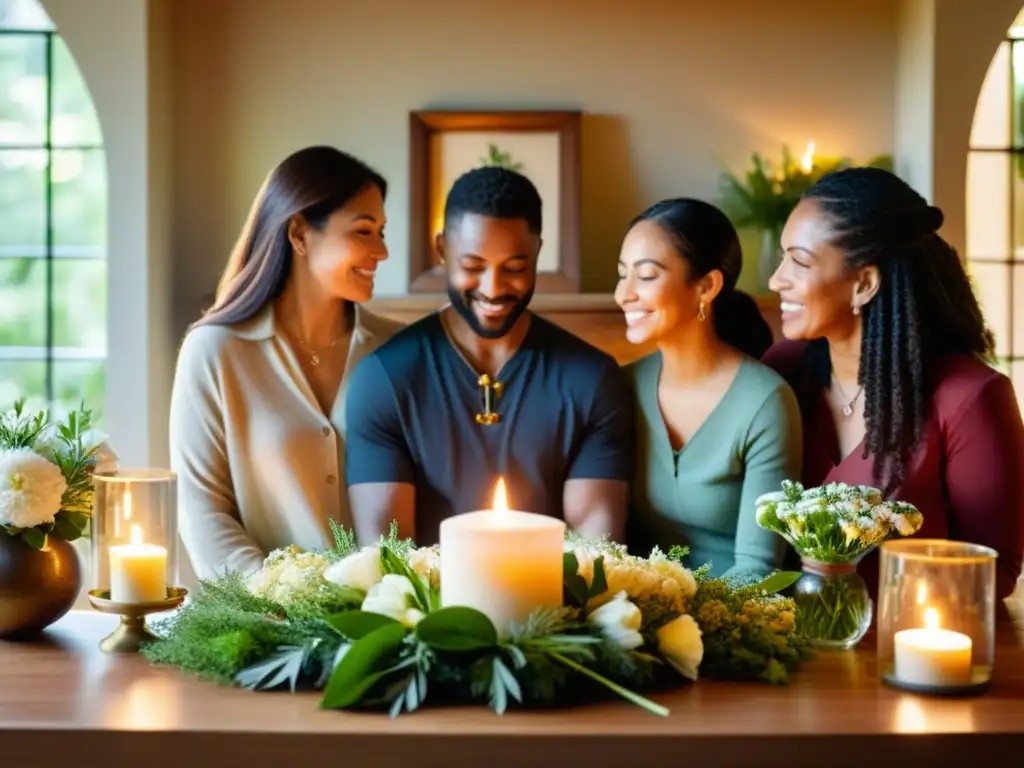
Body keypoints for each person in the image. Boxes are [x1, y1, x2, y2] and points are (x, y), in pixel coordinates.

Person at [763, 166, 1024, 601]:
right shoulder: (781, 372)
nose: (776, 280)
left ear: (863, 283)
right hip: (785, 644)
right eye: (782, 257)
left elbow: (995, 570)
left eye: (799, 261)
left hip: (904, 651)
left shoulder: (970, 398)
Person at [344, 166, 633, 546]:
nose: (493, 289)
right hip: (423, 604)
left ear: (537, 253)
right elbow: (387, 556)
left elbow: (594, 553)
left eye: (515, 268)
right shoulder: (384, 378)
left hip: (555, 601)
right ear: (442, 249)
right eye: (473, 267)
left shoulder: (592, 379)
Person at [169, 146, 403, 580]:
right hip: (267, 629)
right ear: (299, 234)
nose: (381, 251)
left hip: (386, 623)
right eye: (364, 231)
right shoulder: (215, 352)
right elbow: (202, 512)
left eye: (382, 233)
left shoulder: (398, 348)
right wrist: (280, 602)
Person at [615, 198, 802, 580]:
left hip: (735, 621)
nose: (624, 294)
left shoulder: (765, 402)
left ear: (706, 287)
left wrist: (686, 629)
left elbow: (758, 567)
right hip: (631, 617)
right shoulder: (621, 386)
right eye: (622, 275)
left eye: (646, 276)